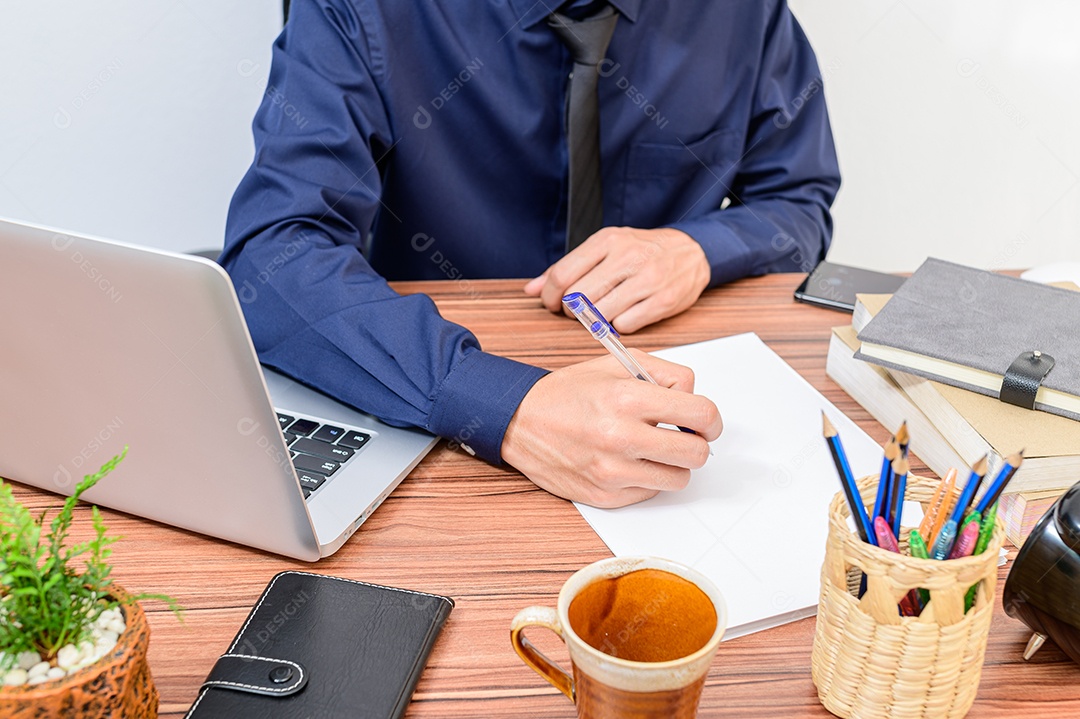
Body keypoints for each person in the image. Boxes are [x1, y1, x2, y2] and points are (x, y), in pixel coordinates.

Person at [221, 0, 840, 508]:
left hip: (664, 399)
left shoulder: (748, 16)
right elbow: (274, 252)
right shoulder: (359, 10)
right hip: (429, 424)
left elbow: (798, 200)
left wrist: (700, 249)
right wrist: (503, 403)